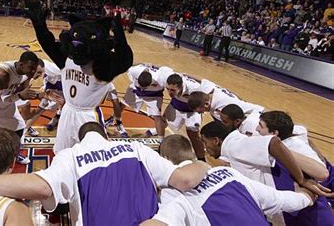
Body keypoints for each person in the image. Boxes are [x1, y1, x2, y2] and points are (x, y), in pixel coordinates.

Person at [0, 122, 210, 225]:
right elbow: (185, 180)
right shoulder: (136, 149)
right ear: (105, 136)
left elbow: (42, 190)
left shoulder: (72, 155)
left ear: (80, 139)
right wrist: (203, 162)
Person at [27, 2, 133, 153]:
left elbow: (125, 60)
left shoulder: (102, 67)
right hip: (68, 111)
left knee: (93, 158)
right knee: (61, 152)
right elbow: (48, 44)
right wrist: (39, 26)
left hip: (88, 115)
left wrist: (120, 36)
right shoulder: (67, 58)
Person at [142, 135, 316, 226]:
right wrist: (306, 197)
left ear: (165, 158)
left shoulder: (172, 194)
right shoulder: (228, 174)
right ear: (191, 153)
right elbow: (278, 200)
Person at [200, 121, 334, 225]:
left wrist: (302, 179)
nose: (205, 148)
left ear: (216, 140)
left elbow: (273, 143)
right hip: (295, 206)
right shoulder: (233, 146)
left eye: (205, 143)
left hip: (302, 208)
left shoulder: (234, 145)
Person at [0, 52, 39, 163]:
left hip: (7, 103)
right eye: (31, 68)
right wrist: (19, 96)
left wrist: (30, 87)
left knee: (19, 126)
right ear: (21, 64)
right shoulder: (2, 73)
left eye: (34, 69)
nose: (32, 71)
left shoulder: (24, 72)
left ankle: (14, 154)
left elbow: (21, 90)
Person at [124, 63, 174, 141]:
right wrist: (143, 64)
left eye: (145, 87)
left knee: (158, 117)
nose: (144, 89)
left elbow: (170, 73)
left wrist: (156, 66)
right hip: (137, 91)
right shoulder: (134, 71)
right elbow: (127, 64)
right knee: (122, 104)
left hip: (154, 96)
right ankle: (116, 121)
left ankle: (161, 141)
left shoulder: (161, 77)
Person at [187, 82, 264, 122]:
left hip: (257, 117)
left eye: (200, 111)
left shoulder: (221, 105)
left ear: (206, 104)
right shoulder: (213, 93)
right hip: (256, 111)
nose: (201, 113)